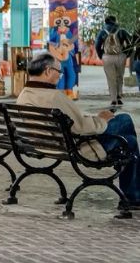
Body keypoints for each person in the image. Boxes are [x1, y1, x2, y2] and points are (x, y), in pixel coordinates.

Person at [17, 51, 140, 205]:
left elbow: (72, 122)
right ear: (48, 71)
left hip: (47, 144)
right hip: (76, 148)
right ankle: (132, 196)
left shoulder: (24, 95)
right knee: (125, 123)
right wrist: (101, 119)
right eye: (59, 72)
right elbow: (80, 127)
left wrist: (95, 118)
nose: (60, 76)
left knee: (129, 141)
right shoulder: (53, 96)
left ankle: (133, 193)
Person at [95, 16, 131, 109]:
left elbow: (97, 45)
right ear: (115, 21)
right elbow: (130, 42)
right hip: (120, 56)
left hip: (107, 57)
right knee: (119, 77)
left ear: (106, 22)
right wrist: (126, 54)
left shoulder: (102, 32)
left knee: (111, 79)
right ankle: (119, 96)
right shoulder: (121, 31)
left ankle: (113, 99)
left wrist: (101, 55)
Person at [48, 19, 79, 97]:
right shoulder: (55, 34)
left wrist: (68, 44)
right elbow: (49, 42)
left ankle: (69, 89)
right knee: (60, 75)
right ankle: (60, 91)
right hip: (59, 58)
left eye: (63, 25)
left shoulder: (69, 33)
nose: (62, 26)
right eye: (60, 25)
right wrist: (57, 46)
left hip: (68, 58)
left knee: (71, 74)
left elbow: (74, 41)